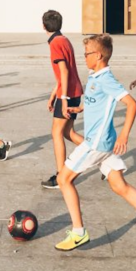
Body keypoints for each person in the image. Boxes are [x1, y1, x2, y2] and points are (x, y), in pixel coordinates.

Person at [54, 33, 136, 252]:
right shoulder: (95, 76)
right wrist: (80, 108)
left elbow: (132, 104)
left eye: (86, 54)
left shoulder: (106, 79)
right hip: (103, 143)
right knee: (119, 185)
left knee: (63, 179)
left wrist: (124, 135)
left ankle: (79, 232)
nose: (84, 57)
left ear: (97, 55)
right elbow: (99, 102)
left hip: (96, 143)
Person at [40, 10, 85, 190]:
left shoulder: (55, 44)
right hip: (71, 91)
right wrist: (54, 94)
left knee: (56, 133)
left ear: (43, 26)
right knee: (68, 133)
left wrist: (63, 99)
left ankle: (61, 176)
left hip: (68, 93)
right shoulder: (64, 40)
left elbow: (65, 71)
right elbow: (63, 74)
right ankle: (103, 157)